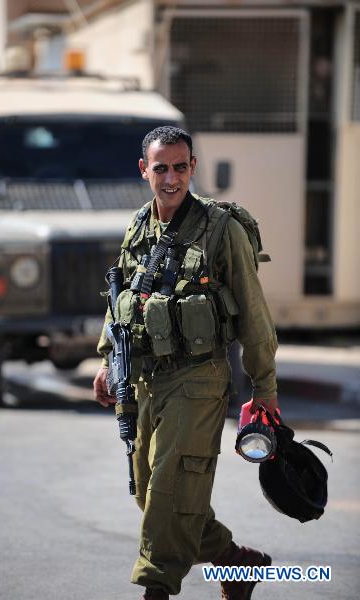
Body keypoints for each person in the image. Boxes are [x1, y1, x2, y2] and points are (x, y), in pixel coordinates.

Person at [93, 126, 279, 599]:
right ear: (145, 170)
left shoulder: (223, 229)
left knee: (171, 490)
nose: (171, 178)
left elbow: (254, 315)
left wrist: (265, 391)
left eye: (180, 167)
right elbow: (122, 300)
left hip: (199, 377)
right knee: (146, 490)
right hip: (144, 379)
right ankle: (234, 561)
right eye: (161, 168)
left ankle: (156, 588)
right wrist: (105, 361)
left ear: (193, 167)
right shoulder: (138, 225)